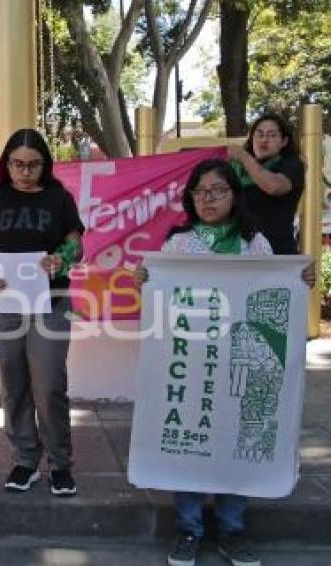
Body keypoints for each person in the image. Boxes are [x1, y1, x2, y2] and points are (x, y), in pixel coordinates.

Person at [134, 159, 315, 566]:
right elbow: (161, 301)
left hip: (243, 363)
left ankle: (233, 529)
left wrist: (298, 283)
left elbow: (275, 293)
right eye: (201, 192)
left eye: (218, 191)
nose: (209, 199)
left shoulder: (256, 244)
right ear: (190, 197)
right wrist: (144, 280)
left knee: (235, 437)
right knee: (188, 438)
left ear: (235, 195)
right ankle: (188, 528)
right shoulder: (178, 245)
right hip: (192, 362)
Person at [0, 128, 84, 497]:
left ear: (45, 164)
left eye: (33, 164)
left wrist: (61, 258)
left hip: (50, 301)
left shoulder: (58, 199)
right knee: (13, 382)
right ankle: (25, 460)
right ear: (6, 164)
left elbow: (76, 246)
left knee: (49, 384)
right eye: (17, 164)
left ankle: (61, 464)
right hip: (3, 304)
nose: (25, 171)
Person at [228, 113, 304, 255]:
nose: (264, 140)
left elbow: (274, 187)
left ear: (284, 141)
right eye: (259, 134)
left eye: (272, 135)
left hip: (277, 253)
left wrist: (244, 156)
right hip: (241, 253)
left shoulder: (291, 164)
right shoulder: (237, 169)